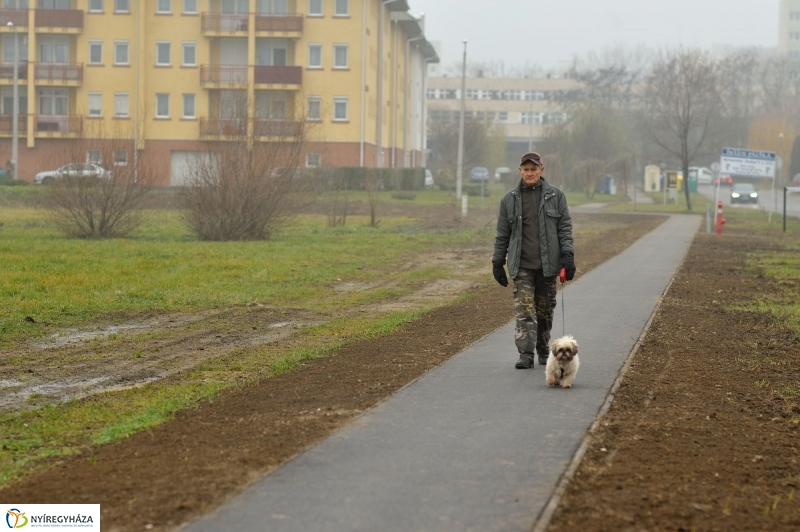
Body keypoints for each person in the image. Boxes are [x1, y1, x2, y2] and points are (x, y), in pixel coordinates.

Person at [492, 152, 575, 369]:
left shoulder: (556, 197)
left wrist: (568, 257)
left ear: (541, 170)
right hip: (522, 266)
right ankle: (526, 354)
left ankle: (543, 348)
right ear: (520, 171)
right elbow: (502, 235)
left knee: (544, 311)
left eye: (533, 169)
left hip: (548, 267)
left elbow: (565, 229)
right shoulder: (509, 200)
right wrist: (497, 261)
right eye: (526, 169)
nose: (530, 173)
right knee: (525, 311)